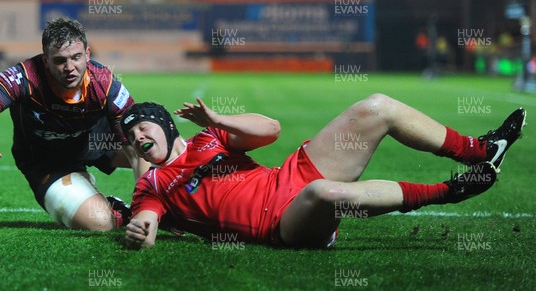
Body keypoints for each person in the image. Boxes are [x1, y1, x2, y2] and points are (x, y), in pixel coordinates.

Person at [122, 96, 526, 249]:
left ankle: (480, 150)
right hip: (283, 221)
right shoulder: (153, 184)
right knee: (323, 194)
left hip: (293, 173)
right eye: (130, 134)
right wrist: (141, 230)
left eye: (144, 127)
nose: (138, 137)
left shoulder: (209, 140)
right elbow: (146, 221)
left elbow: (271, 130)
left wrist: (219, 117)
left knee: (377, 108)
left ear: (167, 125)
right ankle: (447, 191)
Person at [0, 17, 144, 231]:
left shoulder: (105, 83)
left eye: (76, 57)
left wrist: (145, 211)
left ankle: (174, 209)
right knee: (101, 223)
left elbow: (138, 150)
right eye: (60, 60)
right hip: (47, 161)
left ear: (87, 54)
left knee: (159, 150)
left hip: (97, 141)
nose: (70, 68)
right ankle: (113, 207)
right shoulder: (23, 77)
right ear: (45, 60)